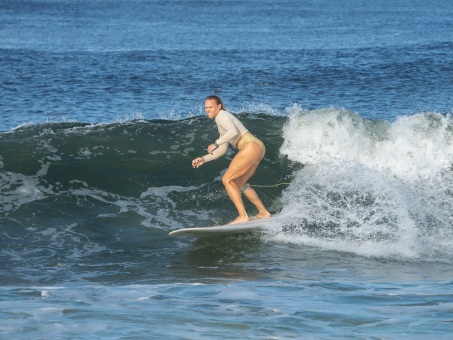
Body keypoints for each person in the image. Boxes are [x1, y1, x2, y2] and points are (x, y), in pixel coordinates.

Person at [192, 95, 271, 224]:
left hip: (250, 145)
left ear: (219, 106)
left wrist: (216, 142)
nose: (207, 110)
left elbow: (233, 131)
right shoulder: (222, 120)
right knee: (239, 183)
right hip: (257, 147)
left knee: (227, 179)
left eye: (210, 107)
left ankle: (242, 216)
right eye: (206, 107)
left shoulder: (222, 116)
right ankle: (263, 212)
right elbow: (222, 149)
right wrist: (204, 159)